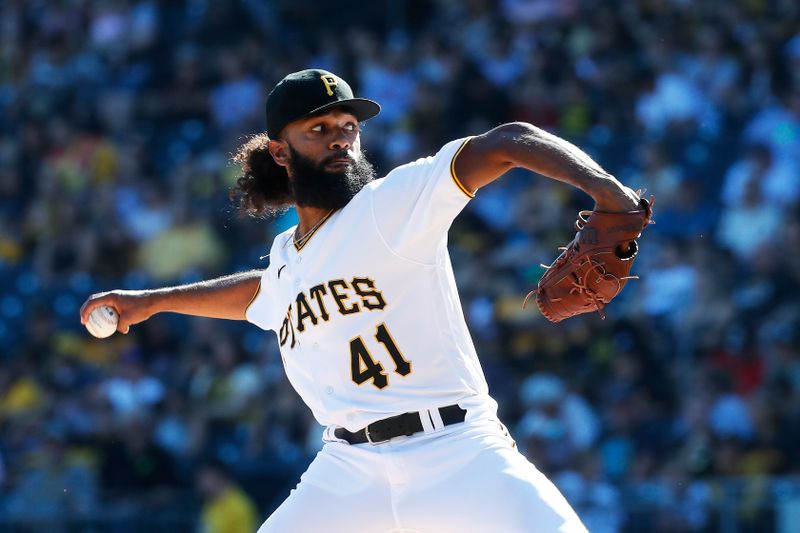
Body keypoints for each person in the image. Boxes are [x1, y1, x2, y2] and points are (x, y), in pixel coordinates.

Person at [81, 68, 641, 532]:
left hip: (458, 452)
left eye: (348, 126)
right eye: (318, 128)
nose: (340, 138)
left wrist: (612, 196)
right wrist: (151, 302)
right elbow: (261, 293)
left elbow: (507, 141)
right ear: (279, 151)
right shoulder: (286, 254)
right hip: (349, 471)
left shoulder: (391, 204)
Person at [196, 459, 259, 533]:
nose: (201, 484)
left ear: (218, 476)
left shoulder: (240, 506)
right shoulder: (210, 502)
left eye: (205, 478)